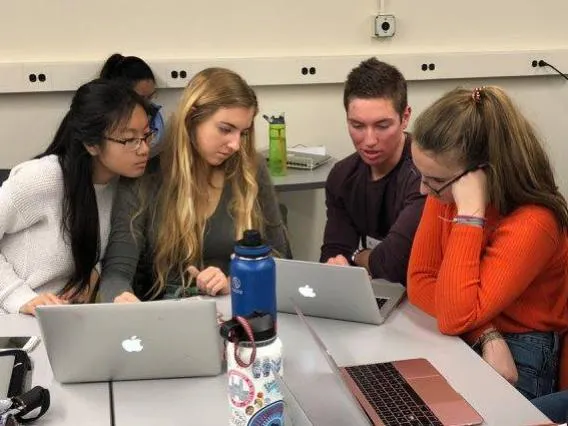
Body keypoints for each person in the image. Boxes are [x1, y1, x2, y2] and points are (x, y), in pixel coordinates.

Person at [408, 85, 568, 400]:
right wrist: (486, 333)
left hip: (523, 350)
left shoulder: (535, 222)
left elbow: (455, 314)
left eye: (436, 181)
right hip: (477, 336)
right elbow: (420, 281)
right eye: (421, 175)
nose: (425, 191)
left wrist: (469, 216)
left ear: (481, 174)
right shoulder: (446, 187)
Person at [99, 67, 291, 303]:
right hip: (166, 316)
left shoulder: (250, 169)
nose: (235, 145)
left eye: (243, 133)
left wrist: (235, 282)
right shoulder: (145, 176)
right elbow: (117, 272)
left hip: (237, 313)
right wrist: (122, 299)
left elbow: (281, 258)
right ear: (191, 119)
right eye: (225, 129)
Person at [0, 79, 152, 315]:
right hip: (11, 321)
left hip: (60, 322)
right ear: (92, 144)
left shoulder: (121, 187)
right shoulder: (43, 178)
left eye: (146, 135)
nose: (143, 149)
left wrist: (93, 274)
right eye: (129, 139)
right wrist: (20, 297)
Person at [319, 57, 425, 284]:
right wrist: (339, 264)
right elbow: (333, 253)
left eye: (382, 126)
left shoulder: (425, 175)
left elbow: (393, 265)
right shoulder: (342, 175)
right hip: (370, 291)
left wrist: (358, 255)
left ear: (405, 117)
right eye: (357, 126)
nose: (369, 140)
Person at [100, 53, 165, 156]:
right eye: (141, 98)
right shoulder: (107, 122)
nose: (147, 104)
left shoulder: (155, 119)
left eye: (150, 96)